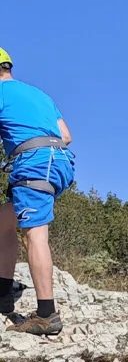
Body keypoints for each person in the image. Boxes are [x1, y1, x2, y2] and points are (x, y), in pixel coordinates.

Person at [0, 50, 75, 335]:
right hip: (59, 164)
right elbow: (66, 135)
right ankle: (4, 291)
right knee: (5, 221)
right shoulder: (40, 95)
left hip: (34, 163)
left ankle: (46, 315)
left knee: (35, 233)